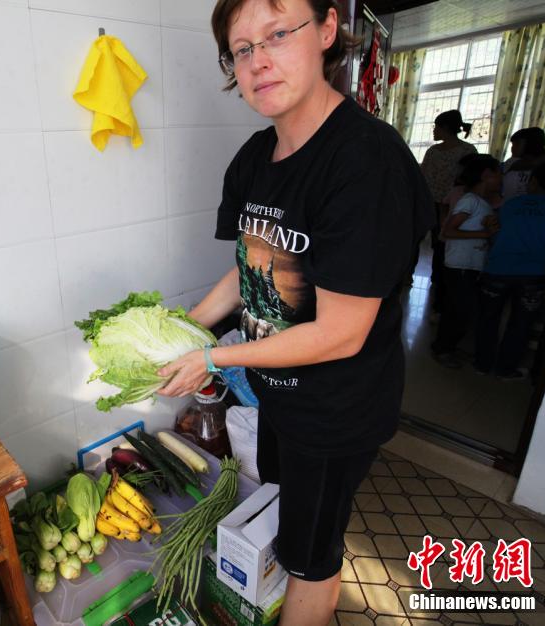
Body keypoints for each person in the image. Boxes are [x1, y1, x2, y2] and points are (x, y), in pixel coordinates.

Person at [154, 0, 433, 623]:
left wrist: (210, 356)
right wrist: (186, 328)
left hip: (336, 410)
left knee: (312, 554)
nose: (259, 61)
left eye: (278, 34)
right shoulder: (256, 156)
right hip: (276, 394)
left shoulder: (366, 164)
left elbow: (339, 334)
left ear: (328, 30)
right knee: (288, 518)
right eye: (243, 48)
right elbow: (253, 264)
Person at [475, 158, 545, 379]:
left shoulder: (512, 204)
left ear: (534, 182)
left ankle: (482, 364)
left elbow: (496, 232)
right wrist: (539, 252)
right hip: (533, 274)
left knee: (488, 318)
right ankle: (505, 369)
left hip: (497, 268)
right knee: (520, 324)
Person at [430, 154, 501, 368]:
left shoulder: (481, 202)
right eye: (498, 174)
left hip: (468, 265)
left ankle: (446, 347)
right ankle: (443, 349)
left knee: (456, 309)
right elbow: (448, 231)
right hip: (459, 265)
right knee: (461, 310)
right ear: (486, 175)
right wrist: (484, 235)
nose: (501, 179)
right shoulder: (470, 200)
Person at [420, 110, 477, 314]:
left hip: (455, 206)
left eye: (436, 127)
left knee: (445, 245)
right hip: (431, 203)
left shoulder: (467, 151)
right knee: (432, 242)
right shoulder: (433, 151)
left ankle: (442, 286)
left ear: (445, 128)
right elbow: (423, 176)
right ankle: (434, 282)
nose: (434, 131)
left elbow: (471, 179)